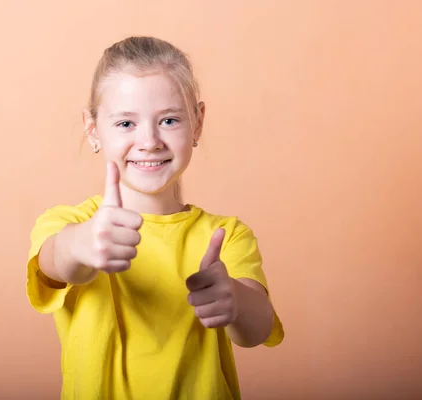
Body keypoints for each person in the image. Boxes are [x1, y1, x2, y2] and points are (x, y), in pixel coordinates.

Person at [26, 36, 284, 400]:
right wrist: (82, 244)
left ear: (198, 122)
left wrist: (234, 300)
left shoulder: (226, 234)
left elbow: (257, 330)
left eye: (168, 120)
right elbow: (58, 264)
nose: (149, 141)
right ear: (91, 128)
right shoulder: (68, 223)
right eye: (126, 124)